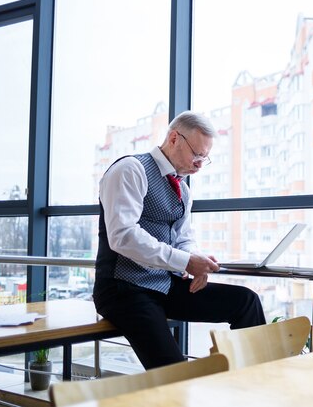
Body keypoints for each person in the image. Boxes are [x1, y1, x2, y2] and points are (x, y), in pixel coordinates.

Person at [93, 111, 266, 369]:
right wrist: (185, 261)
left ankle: (254, 385)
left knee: (246, 302)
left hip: (164, 286)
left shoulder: (183, 189)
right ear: (174, 138)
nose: (199, 164)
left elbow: (183, 237)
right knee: (175, 372)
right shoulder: (131, 170)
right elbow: (123, 236)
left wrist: (196, 260)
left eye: (204, 158)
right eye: (196, 154)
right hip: (123, 290)